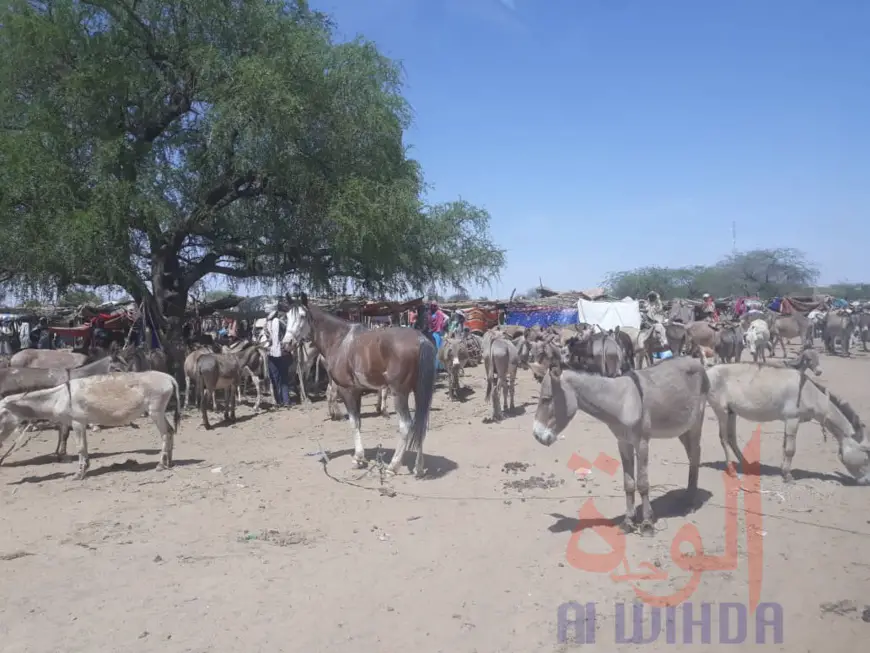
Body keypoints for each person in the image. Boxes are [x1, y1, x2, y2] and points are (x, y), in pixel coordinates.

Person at [265, 309, 291, 407]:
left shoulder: (266, 324)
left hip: (270, 353)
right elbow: (287, 337)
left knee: (274, 378)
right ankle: (286, 401)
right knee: (284, 378)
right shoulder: (282, 323)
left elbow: (268, 338)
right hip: (283, 353)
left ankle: (278, 400)